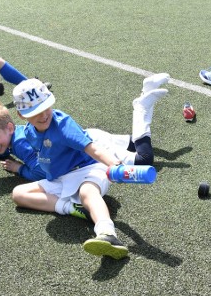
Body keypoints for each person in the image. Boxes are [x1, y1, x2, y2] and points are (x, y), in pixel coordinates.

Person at [9, 77, 168, 260]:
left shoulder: (62, 125)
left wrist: (115, 167)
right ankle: (72, 208)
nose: (44, 115)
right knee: (18, 194)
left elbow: (93, 149)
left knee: (87, 193)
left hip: (88, 168)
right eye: (36, 112)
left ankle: (108, 234)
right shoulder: (29, 131)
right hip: (61, 178)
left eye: (46, 107)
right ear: (22, 116)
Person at [0, 73, 169, 182]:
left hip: (89, 146)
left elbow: (43, 172)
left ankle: (141, 107)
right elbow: (1, 147)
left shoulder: (23, 144)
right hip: (84, 137)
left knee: (144, 160)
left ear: (10, 127)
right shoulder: (13, 136)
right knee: (135, 144)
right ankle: (147, 89)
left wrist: (19, 169)